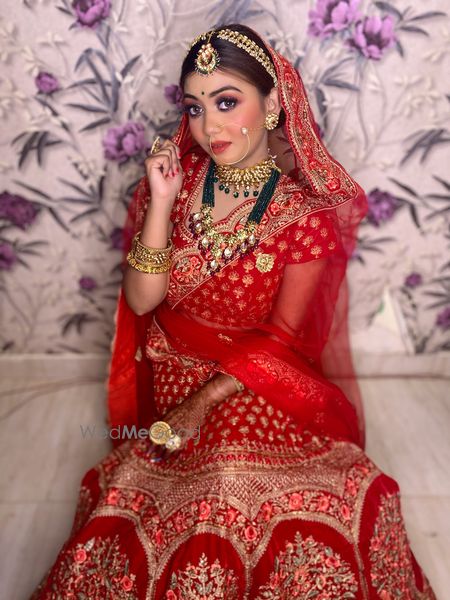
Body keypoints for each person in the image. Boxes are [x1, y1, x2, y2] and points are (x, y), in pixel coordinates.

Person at [30, 24, 436, 599]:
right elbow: (143, 301)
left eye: (226, 102)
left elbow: (283, 339)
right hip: (176, 370)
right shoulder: (179, 185)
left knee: (249, 481)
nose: (209, 127)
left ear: (272, 106)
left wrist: (202, 405)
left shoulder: (302, 217)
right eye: (195, 108)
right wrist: (161, 202)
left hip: (258, 378)